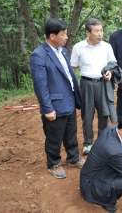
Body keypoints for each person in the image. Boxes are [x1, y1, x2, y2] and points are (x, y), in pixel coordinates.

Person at [30, 18, 84, 179]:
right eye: (63, 34)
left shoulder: (63, 51)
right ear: (52, 36)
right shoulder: (39, 55)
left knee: (71, 132)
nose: (66, 37)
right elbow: (41, 85)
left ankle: (73, 157)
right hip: (54, 104)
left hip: (69, 100)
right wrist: (47, 108)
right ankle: (53, 163)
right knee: (54, 136)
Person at [71, 18, 119, 155]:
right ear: (88, 32)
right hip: (86, 84)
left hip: (103, 84)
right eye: (96, 31)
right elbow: (72, 68)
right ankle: (88, 143)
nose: (100, 34)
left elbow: (113, 64)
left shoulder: (106, 47)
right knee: (87, 114)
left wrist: (110, 72)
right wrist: (72, 87)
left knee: (104, 113)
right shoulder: (78, 47)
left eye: (101, 30)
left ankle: (102, 142)